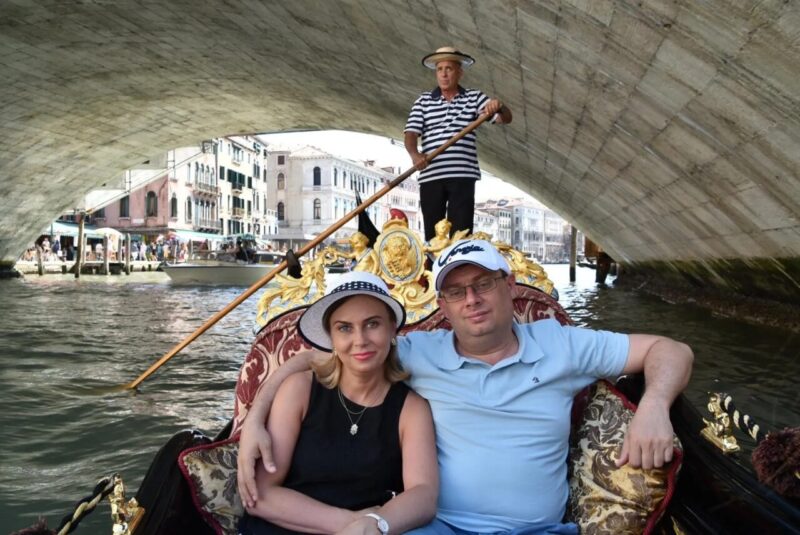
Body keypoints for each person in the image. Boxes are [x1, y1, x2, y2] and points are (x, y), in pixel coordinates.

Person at [239, 240, 693, 534]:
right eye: (456, 292)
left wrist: (654, 406)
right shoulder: (416, 351)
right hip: (439, 527)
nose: (471, 300)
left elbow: (671, 350)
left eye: (482, 284)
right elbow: (312, 360)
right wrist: (255, 420)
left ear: (509, 285)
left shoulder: (563, 344)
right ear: (443, 304)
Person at [239, 271, 438, 535]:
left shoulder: (411, 409)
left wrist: (375, 524)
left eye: (372, 324)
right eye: (345, 328)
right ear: (331, 337)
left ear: (392, 329)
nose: (360, 340)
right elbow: (260, 494)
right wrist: (354, 523)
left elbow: (423, 494)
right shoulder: (300, 390)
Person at [405, 47, 513, 242]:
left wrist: (499, 106)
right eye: (440, 69)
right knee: (433, 237)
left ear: (459, 72)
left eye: (449, 68)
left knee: (461, 235)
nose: (444, 74)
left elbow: (504, 118)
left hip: (463, 175)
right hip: (431, 175)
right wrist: (415, 155)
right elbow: (411, 134)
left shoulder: (474, 98)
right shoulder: (423, 101)